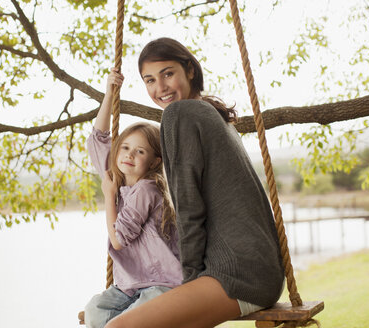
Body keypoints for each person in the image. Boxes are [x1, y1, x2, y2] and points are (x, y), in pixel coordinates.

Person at [104, 38, 285, 328]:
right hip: (259, 269)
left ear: (189, 70)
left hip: (237, 274)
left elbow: (189, 209)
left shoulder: (179, 115)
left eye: (167, 74)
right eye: (149, 80)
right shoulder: (212, 114)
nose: (159, 88)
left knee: (118, 327)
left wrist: (187, 282)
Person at [83, 67, 183, 328]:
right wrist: (109, 93)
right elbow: (98, 137)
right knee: (95, 311)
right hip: (129, 285)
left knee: (131, 321)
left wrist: (109, 195)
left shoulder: (146, 189)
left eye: (140, 152)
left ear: (154, 162)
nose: (129, 155)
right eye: (125, 148)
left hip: (163, 282)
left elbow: (118, 240)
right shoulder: (117, 174)